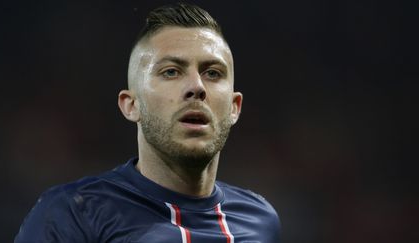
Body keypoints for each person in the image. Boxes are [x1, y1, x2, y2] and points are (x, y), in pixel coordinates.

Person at [15, 3, 281, 242]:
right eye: (171, 72)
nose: (197, 87)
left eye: (213, 73)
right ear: (131, 105)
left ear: (234, 107)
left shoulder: (260, 221)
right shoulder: (74, 213)